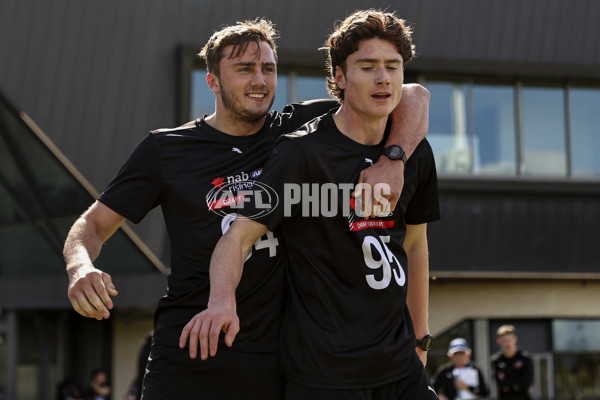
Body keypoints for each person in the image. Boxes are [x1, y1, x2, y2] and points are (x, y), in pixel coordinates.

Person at [64, 17, 430, 400]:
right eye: (243, 69)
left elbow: (413, 95)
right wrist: (80, 268)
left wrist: (394, 158)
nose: (259, 80)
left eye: (267, 69)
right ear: (213, 82)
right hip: (190, 343)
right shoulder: (166, 149)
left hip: (274, 355)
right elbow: (92, 225)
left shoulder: (298, 131)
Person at [182, 9, 440, 399]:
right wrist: (221, 302)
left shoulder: (412, 152)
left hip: (400, 366)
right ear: (339, 76)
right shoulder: (300, 154)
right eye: (367, 66)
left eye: (392, 66)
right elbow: (236, 239)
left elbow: (415, 245)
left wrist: (420, 341)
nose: (383, 78)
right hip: (324, 373)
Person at [492, 324, 534, 400]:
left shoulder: (525, 358)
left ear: (515, 339)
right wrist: (517, 382)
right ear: (499, 341)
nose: (507, 343)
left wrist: (508, 383)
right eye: (504, 340)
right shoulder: (496, 360)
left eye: (509, 340)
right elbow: (500, 384)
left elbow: (527, 382)